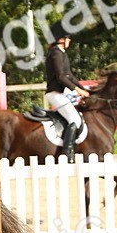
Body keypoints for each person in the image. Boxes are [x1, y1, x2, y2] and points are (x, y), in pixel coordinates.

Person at [44, 23, 92, 161]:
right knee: (75, 119)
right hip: (54, 93)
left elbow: (69, 75)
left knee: (74, 118)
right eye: (68, 38)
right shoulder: (55, 53)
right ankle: (67, 153)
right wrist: (76, 90)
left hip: (59, 94)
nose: (69, 41)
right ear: (61, 39)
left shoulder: (61, 53)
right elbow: (60, 76)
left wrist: (83, 88)